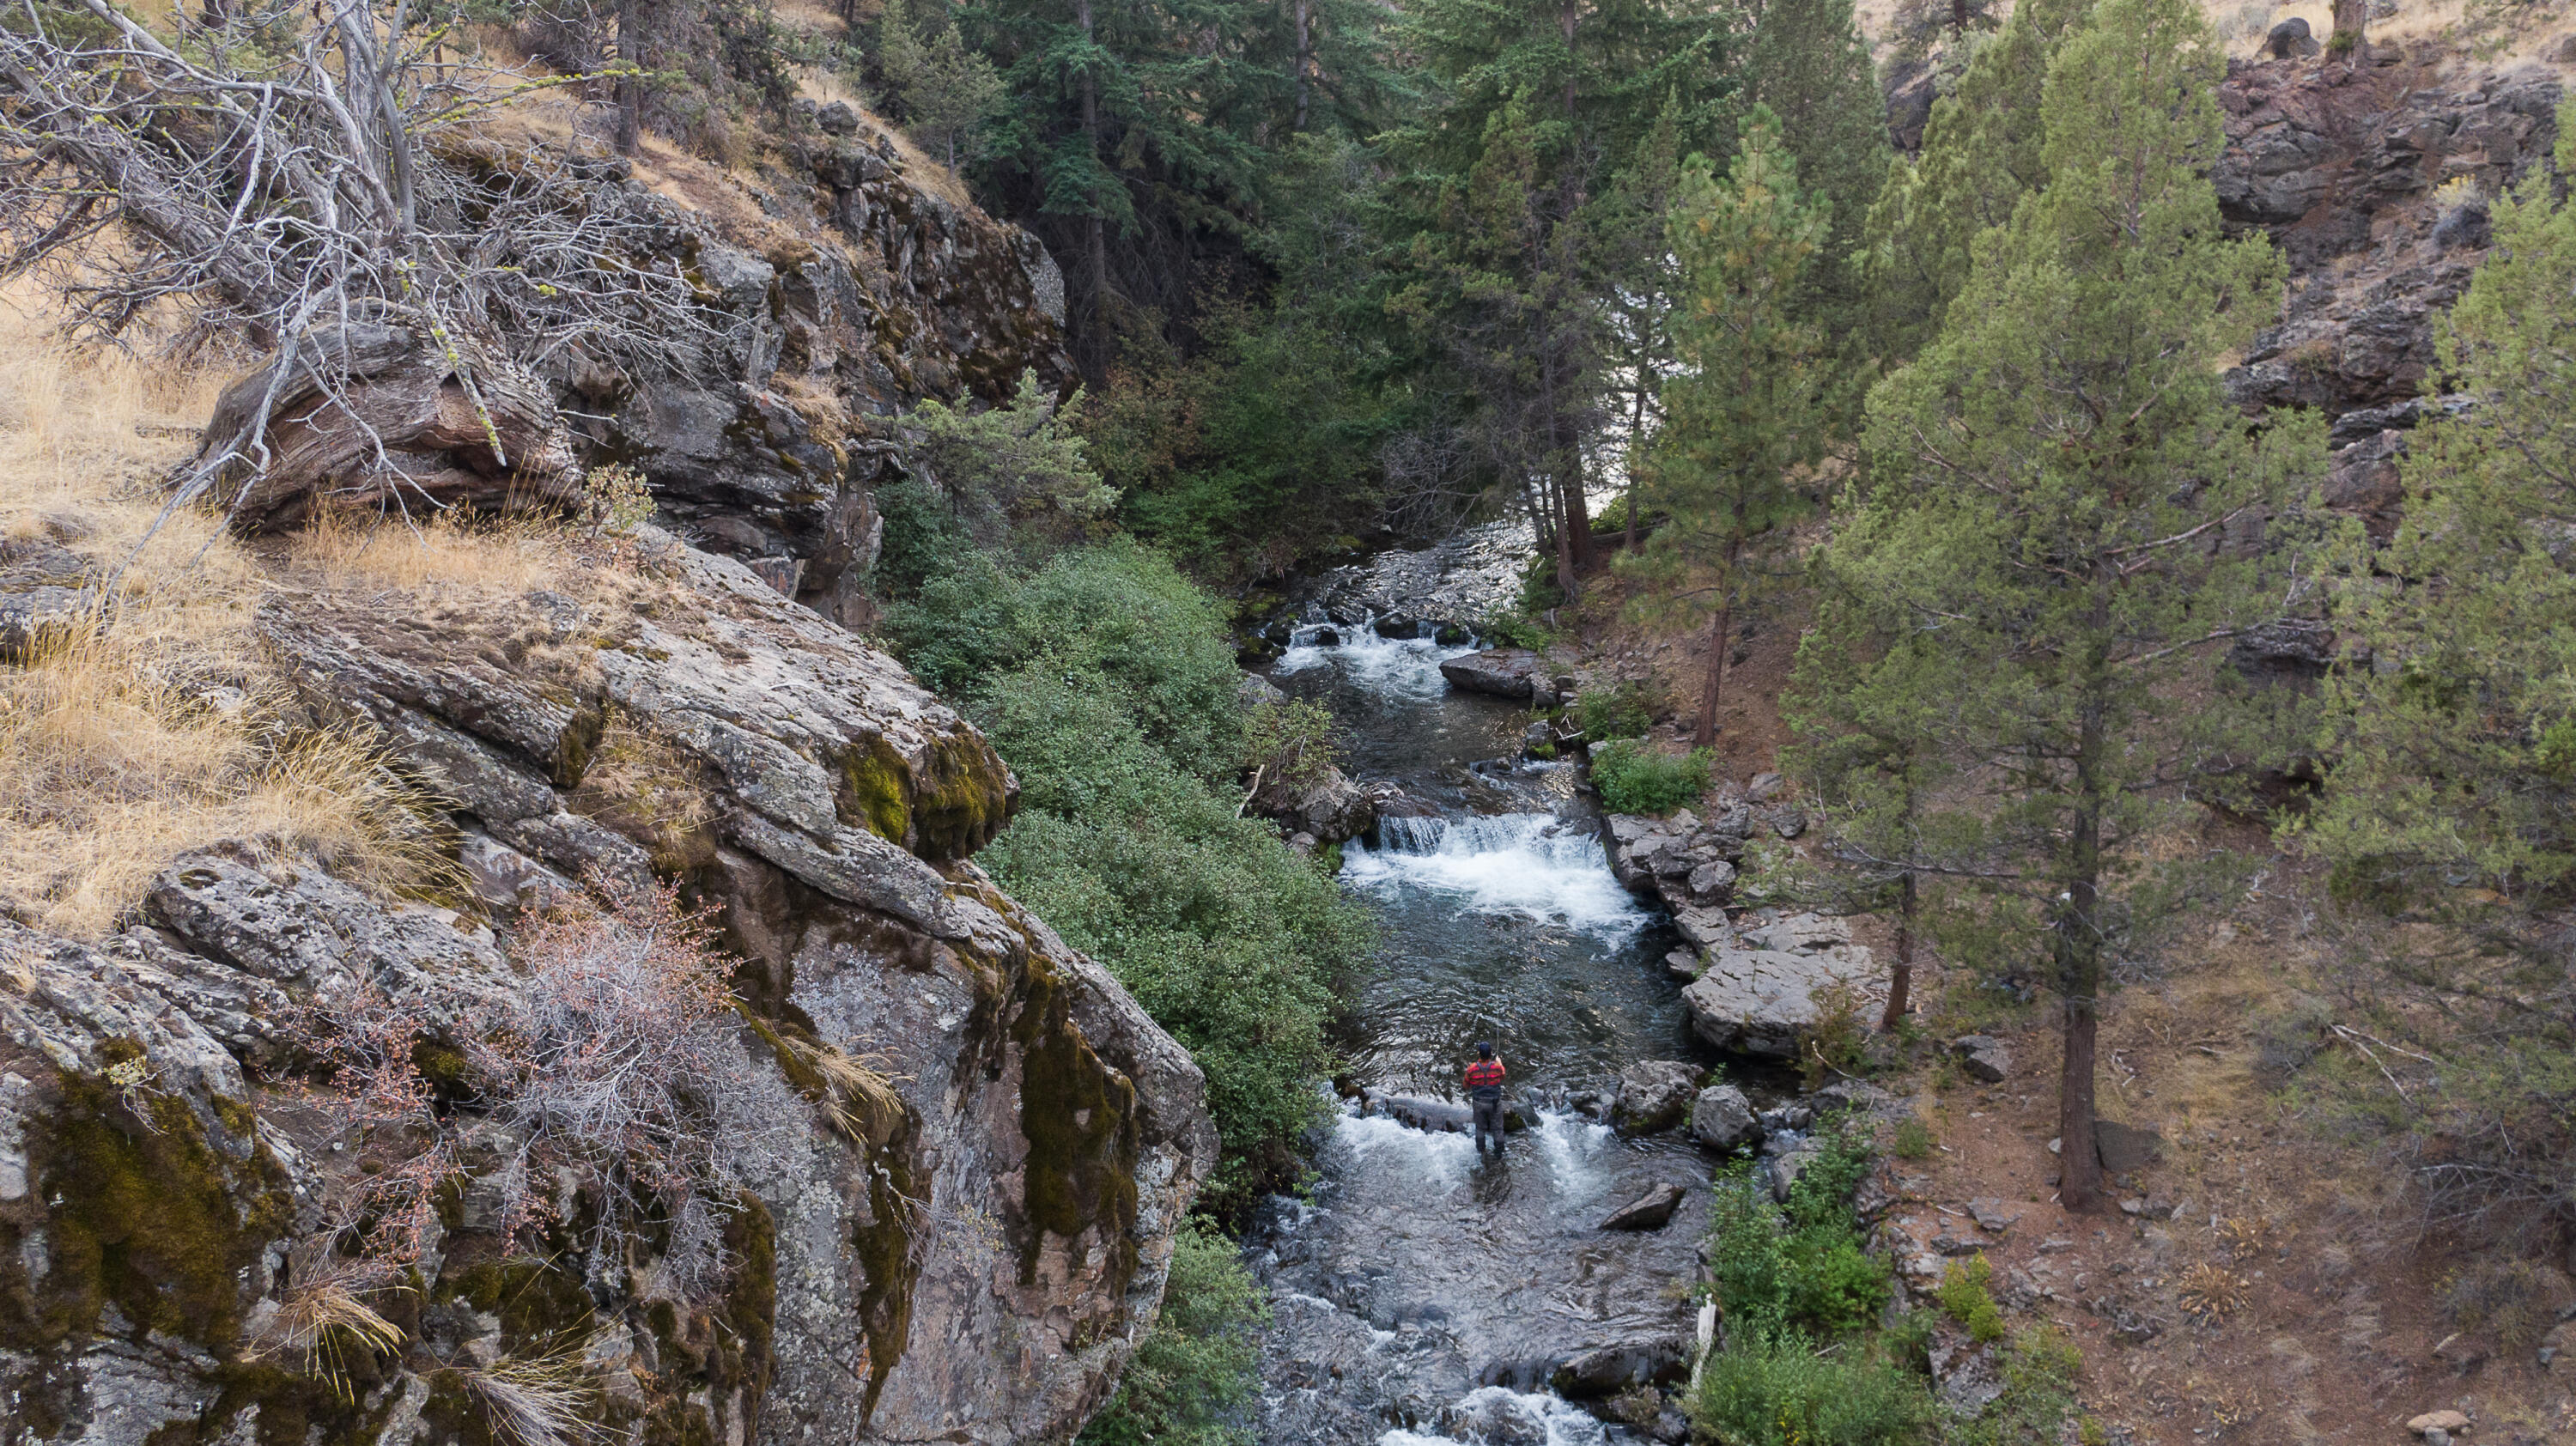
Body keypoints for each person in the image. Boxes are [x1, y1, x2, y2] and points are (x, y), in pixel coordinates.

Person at [1464, 1042, 1508, 1154]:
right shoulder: (1497, 1067)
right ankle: (1499, 1153)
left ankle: (1481, 1153)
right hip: (1494, 1103)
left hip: (1479, 1103)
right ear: (1491, 1054)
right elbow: (1503, 1075)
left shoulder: (1471, 1068)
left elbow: (1465, 1086)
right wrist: (1499, 1062)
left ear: (1479, 1053)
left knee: (1480, 1128)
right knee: (1497, 1129)